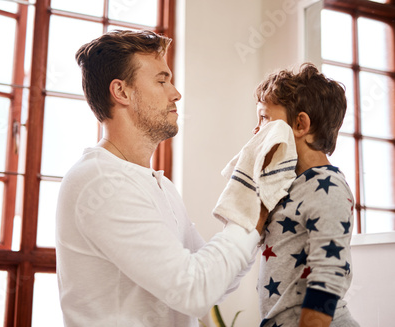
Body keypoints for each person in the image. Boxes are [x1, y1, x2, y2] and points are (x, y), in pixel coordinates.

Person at [55, 30, 267, 327]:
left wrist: (256, 224)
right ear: (122, 92)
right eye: (162, 80)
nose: (176, 93)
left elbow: (215, 283)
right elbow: (193, 291)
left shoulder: (160, 185)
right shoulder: (100, 181)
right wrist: (250, 213)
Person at [253, 63, 360, 327]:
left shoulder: (328, 185)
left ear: (300, 124)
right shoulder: (285, 186)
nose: (256, 130)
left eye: (265, 118)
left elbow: (328, 276)